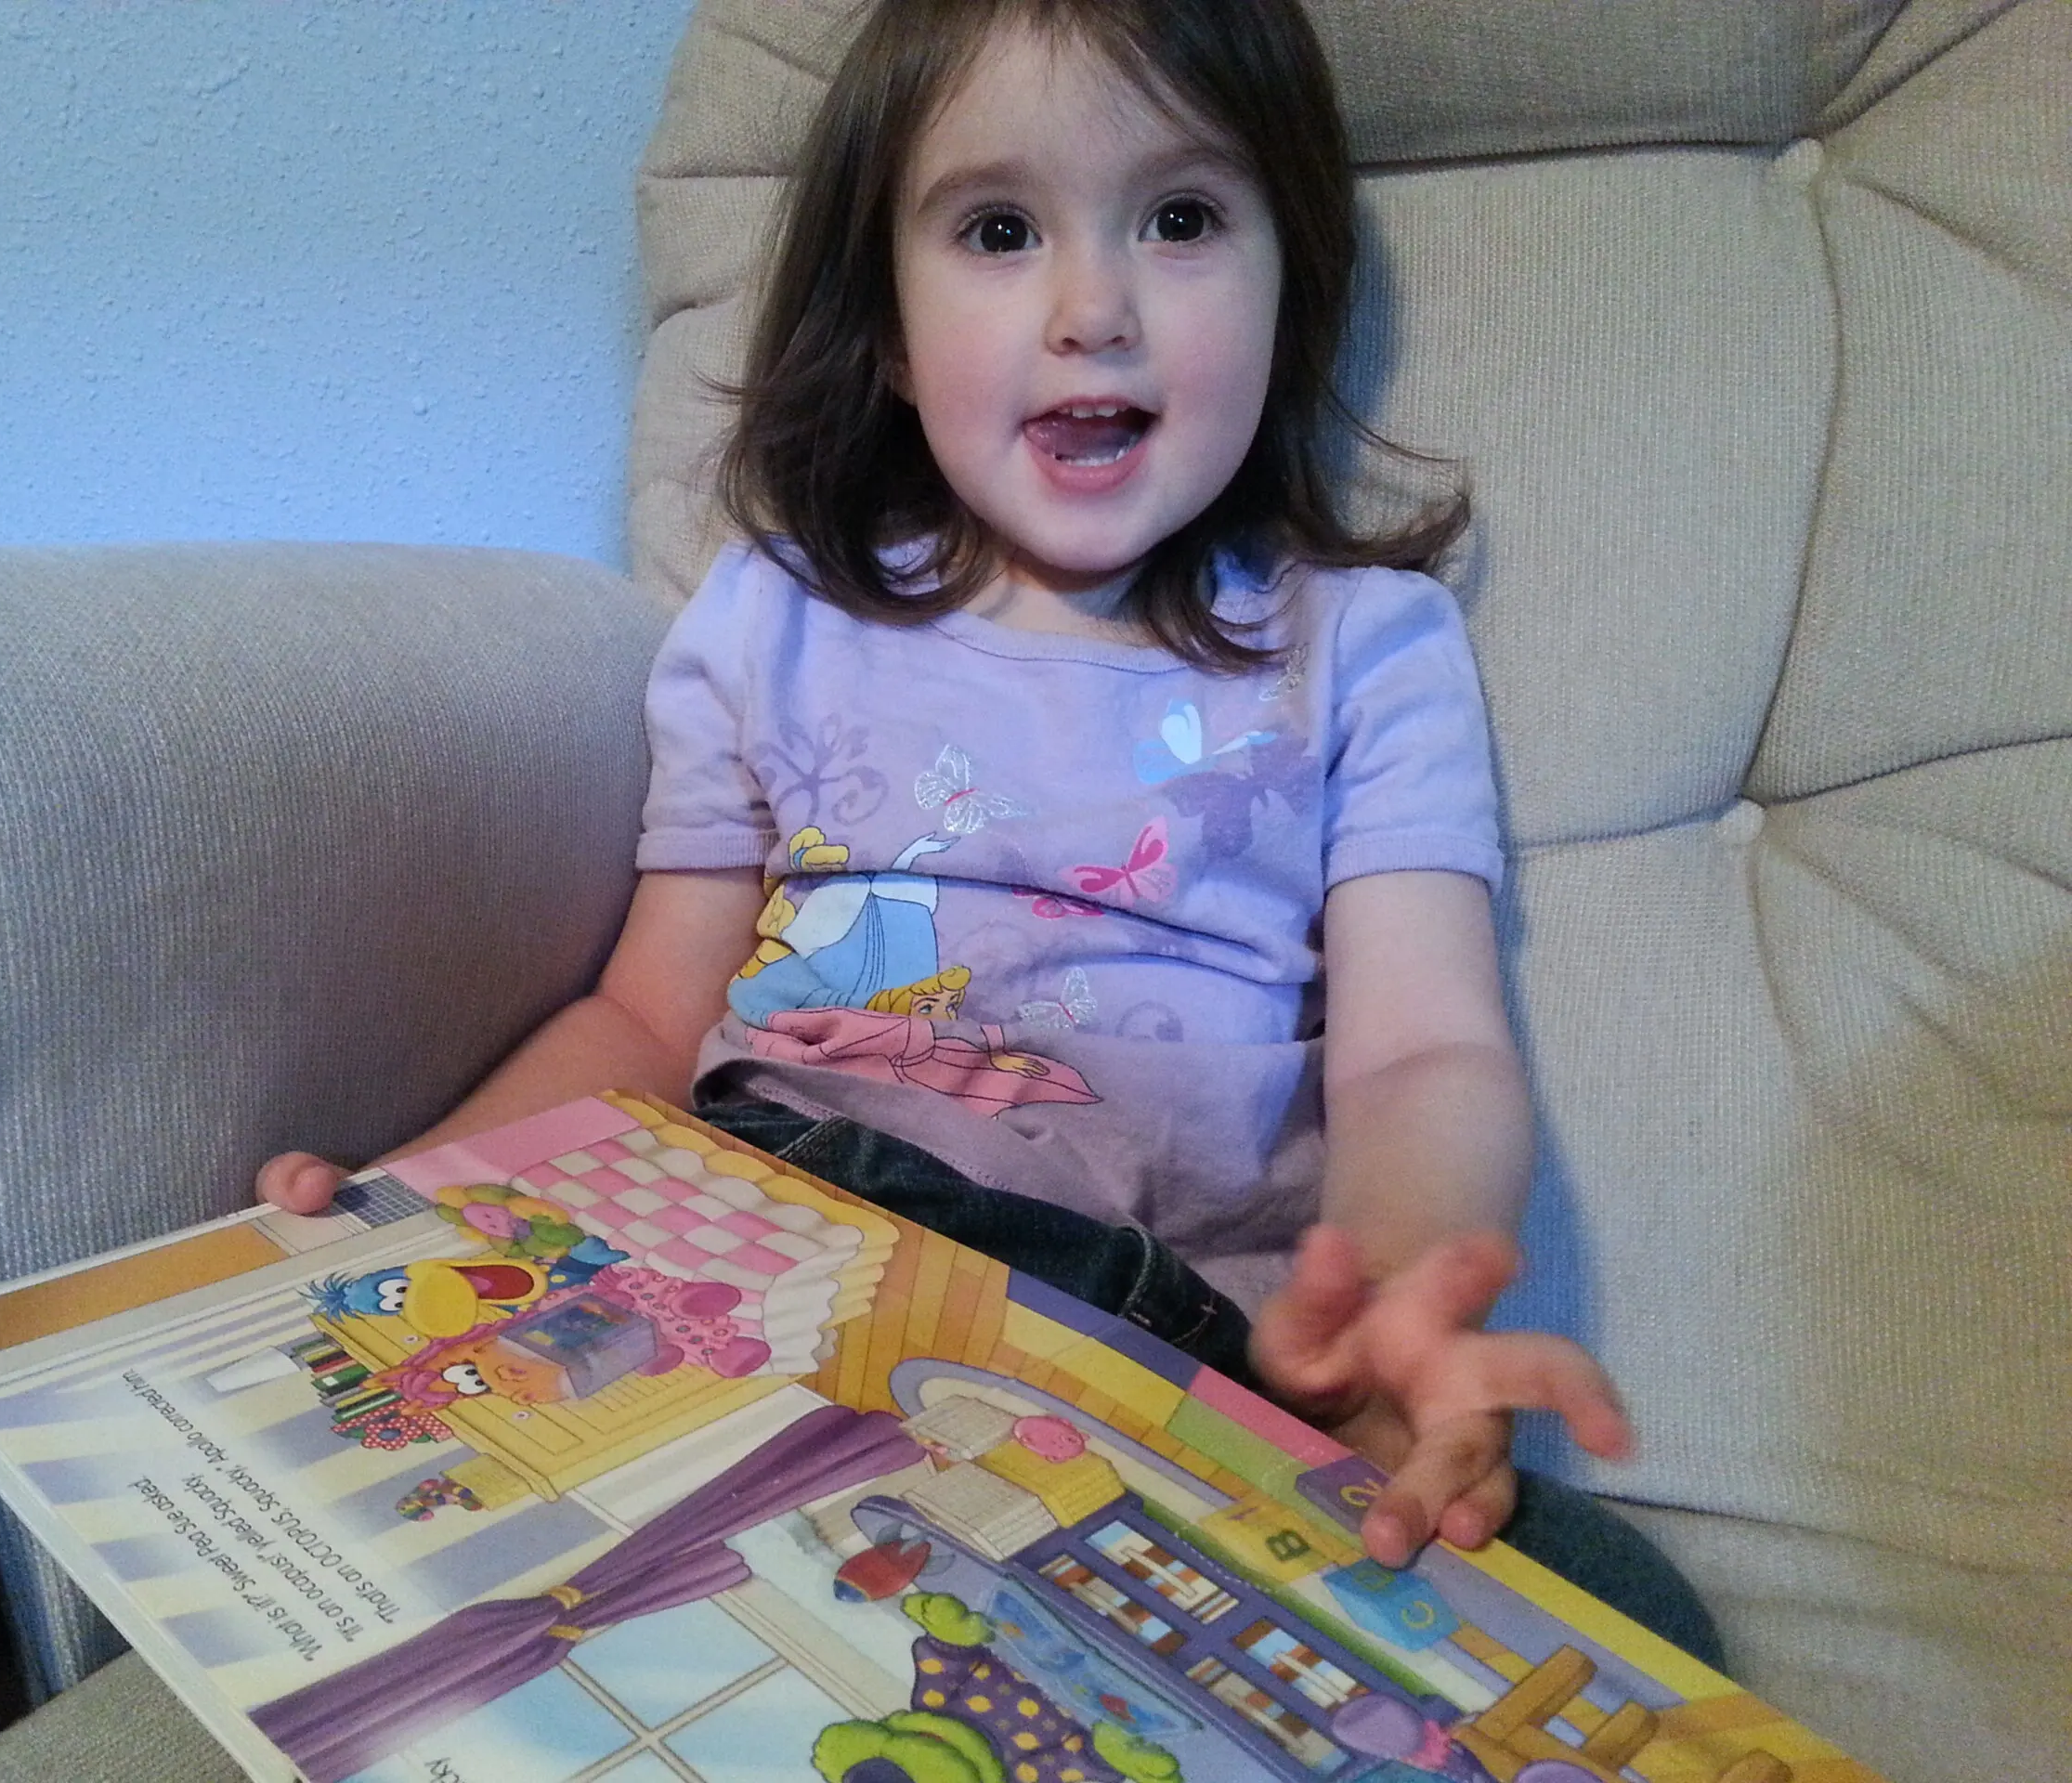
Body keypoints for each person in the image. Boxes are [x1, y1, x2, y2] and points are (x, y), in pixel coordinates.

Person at [261, 0, 1720, 1663]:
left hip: (1159, 1340)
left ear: (1288, 285)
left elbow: (1421, 1057)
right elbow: (647, 1019)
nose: (1093, 310)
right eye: (1000, 230)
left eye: (1181, 221)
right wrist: (424, 1205)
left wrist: (1393, 1312)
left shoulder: (1364, 647)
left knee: (1628, 1619)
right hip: (776, 1248)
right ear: (887, 328)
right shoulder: (770, 619)